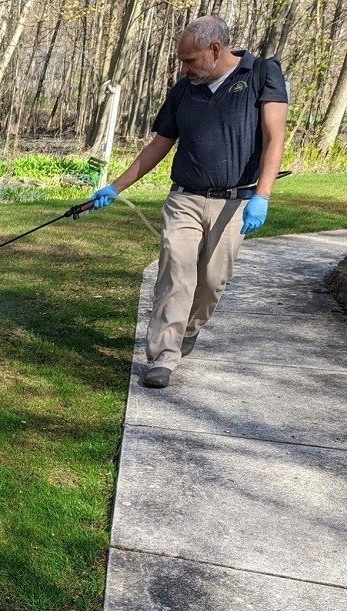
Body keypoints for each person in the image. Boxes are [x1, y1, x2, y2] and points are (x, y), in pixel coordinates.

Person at [89, 16, 289, 388]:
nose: (184, 68)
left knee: (212, 281)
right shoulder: (184, 90)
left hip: (235, 202)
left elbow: (274, 137)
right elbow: (159, 145)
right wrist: (115, 187)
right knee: (175, 274)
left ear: (215, 49)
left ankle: (188, 329)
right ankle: (163, 357)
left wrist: (262, 196)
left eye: (190, 60)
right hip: (185, 198)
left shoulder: (262, 74)